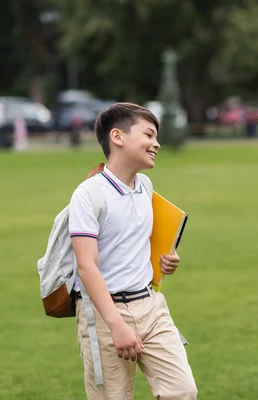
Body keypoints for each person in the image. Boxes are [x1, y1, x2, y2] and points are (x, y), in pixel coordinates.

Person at [69, 102, 197, 399]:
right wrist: (116, 324)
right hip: (103, 314)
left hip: (150, 305)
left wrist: (165, 260)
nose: (157, 144)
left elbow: (136, 241)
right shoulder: (88, 195)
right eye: (149, 135)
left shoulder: (146, 186)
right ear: (118, 137)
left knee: (182, 391)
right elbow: (87, 266)